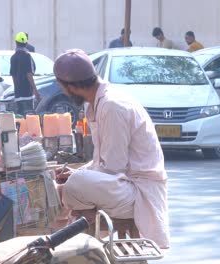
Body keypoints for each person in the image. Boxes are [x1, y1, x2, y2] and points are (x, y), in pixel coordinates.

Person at [53, 49, 170, 249]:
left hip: (137, 191)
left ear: (71, 87)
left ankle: (82, 222)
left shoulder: (112, 106)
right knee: (67, 183)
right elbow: (103, 160)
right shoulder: (100, 103)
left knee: (73, 185)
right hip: (123, 184)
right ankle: (74, 231)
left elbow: (113, 167)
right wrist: (81, 171)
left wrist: (79, 178)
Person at [10, 32, 40, 116]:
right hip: (27, 93)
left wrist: (16, 88)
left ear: (16, 42)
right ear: (26, 43)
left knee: (20, 116)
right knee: (30, 116)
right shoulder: (27, 56)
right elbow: (29, 74)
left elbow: (13, 76)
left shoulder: (13, 57)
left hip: (18, 93)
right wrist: (35, 90)